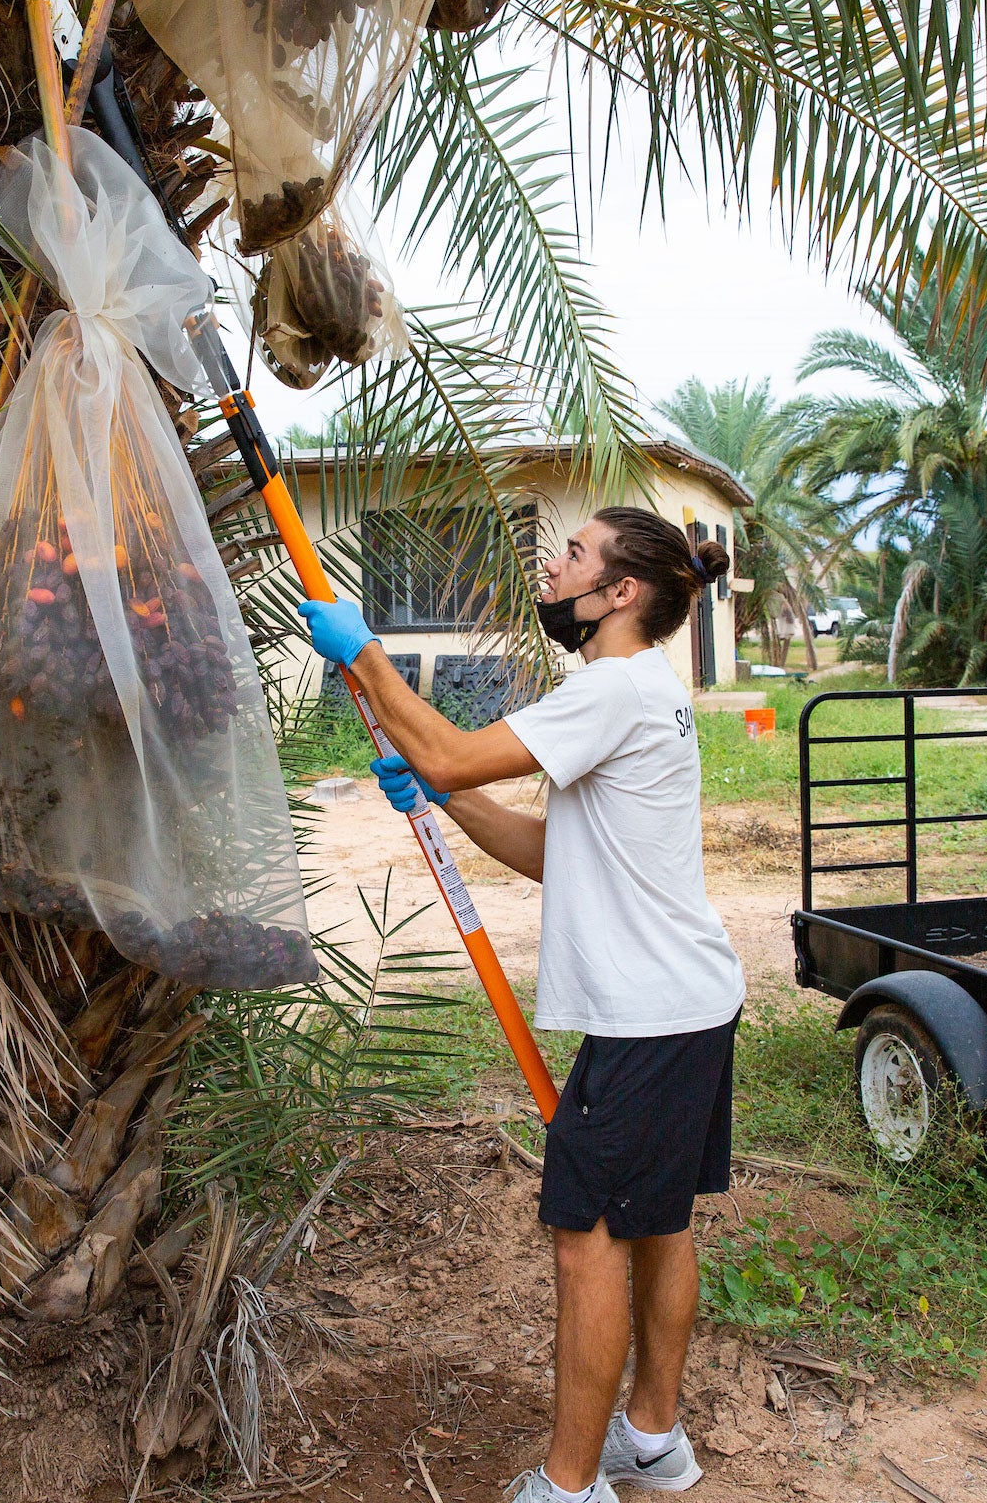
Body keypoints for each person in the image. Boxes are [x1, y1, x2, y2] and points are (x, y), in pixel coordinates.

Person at [299, 507, 744, 1503]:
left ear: (620, 592)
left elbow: (457, 749)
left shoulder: (614, 689)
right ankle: (655, 1440)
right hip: (689, 1000)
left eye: (576, 554)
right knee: (658, 1221)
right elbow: (554, 853)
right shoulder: (641, 693)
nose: (553, 563)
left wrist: (365, 654)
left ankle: (569, 1485)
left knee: (589, 1238)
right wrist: (439, 797)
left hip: (649, 1019)